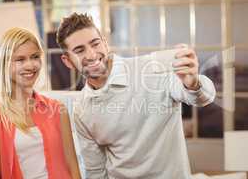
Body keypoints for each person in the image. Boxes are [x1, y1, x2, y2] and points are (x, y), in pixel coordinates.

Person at [57, 13, 216, 179]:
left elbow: (202, 98)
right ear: (67, 61)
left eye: (95, 44)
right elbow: (95, 171)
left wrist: (193, 83)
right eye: (79, 50)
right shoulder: (82, 109)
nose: (91, 55)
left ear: (105, 43)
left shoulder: (151, 68)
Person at [0, 27, 81, 179]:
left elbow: (73, 169)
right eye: (20, 59)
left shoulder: (57, 109)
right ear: (4, 63)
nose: (30, 65)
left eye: (35, 57)